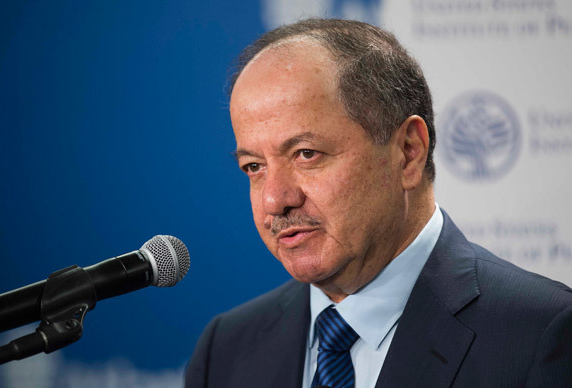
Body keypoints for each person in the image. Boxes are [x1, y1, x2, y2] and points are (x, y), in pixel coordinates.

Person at [185, 19, 572, 388]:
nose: (275, 200)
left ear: (408, 153)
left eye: (306, 154)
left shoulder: (541, 335)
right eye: (253, 166)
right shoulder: (226, 349)